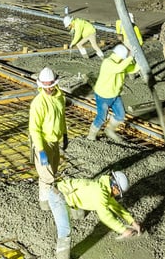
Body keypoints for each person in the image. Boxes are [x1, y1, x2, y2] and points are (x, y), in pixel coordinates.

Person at [57, 171, 142, 240]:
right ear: (115, 187)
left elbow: (116, 207)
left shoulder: (104, 186)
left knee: (79, 214)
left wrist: (132, 222)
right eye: (118, 192)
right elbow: (105, 216)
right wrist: (123, 230)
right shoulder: (100, 194)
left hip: (71, 195)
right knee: (65, 232)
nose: (117, 194)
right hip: (59, 195)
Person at [29, 67, 68, 211]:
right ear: (40, 85)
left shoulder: (60, 97)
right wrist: (40, 150)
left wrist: (64, 134)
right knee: (47, 175)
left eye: (51, 86)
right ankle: (44, 203)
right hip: (42, 141)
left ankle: (49, 197)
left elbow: (62, 117)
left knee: (54, 169)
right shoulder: (38, 103)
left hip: (54, 140)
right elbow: (34, 129)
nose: (49, 89)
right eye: (46, 87)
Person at [87, 44, 136, 142]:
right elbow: (118, 68)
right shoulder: (108, 63)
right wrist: (130, 57)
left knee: (120, 115)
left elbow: (132, 69)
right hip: (103, 95)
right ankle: (91, 135)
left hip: (115, 95)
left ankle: (109, 130)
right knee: (101, 117)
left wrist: (139, 62)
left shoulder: (122, 63)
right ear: (122, 57)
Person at [115, 12, 143, 76]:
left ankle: (131, 74)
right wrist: (140, 46)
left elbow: (118, 33)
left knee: (127, 57)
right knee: (136, 57)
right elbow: (139, 38)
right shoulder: (135, 27)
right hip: (131, 42)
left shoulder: (119, 22)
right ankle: (139, 71)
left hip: (125, 42)